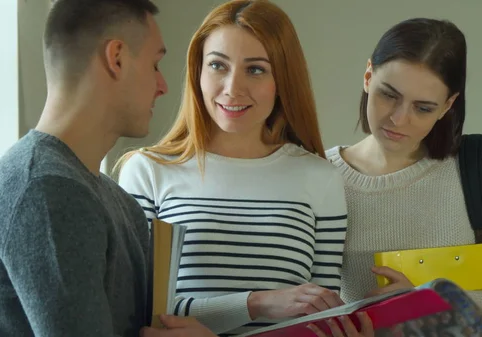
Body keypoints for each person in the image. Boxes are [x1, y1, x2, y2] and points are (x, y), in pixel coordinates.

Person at [0, 0, 215, 336]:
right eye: (155, 65)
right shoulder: (47, 191)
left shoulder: (116, 201)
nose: (163, 86)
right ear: (116, 57)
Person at [116, 0, 352, 335]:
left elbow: (318, 322)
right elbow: (138, 310)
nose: (232, 89)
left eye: (255, 69)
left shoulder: (321, 179)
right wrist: (258, 303)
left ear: (283, 79)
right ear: (198, 72)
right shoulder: (147, 171)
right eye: (217, 66)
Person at [325, 18, 482, 336]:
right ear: (368, 76)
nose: (398, 118)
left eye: (422, 108)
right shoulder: (319, 177)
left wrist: (427, 304)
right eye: (389, 95)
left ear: (448, 105)